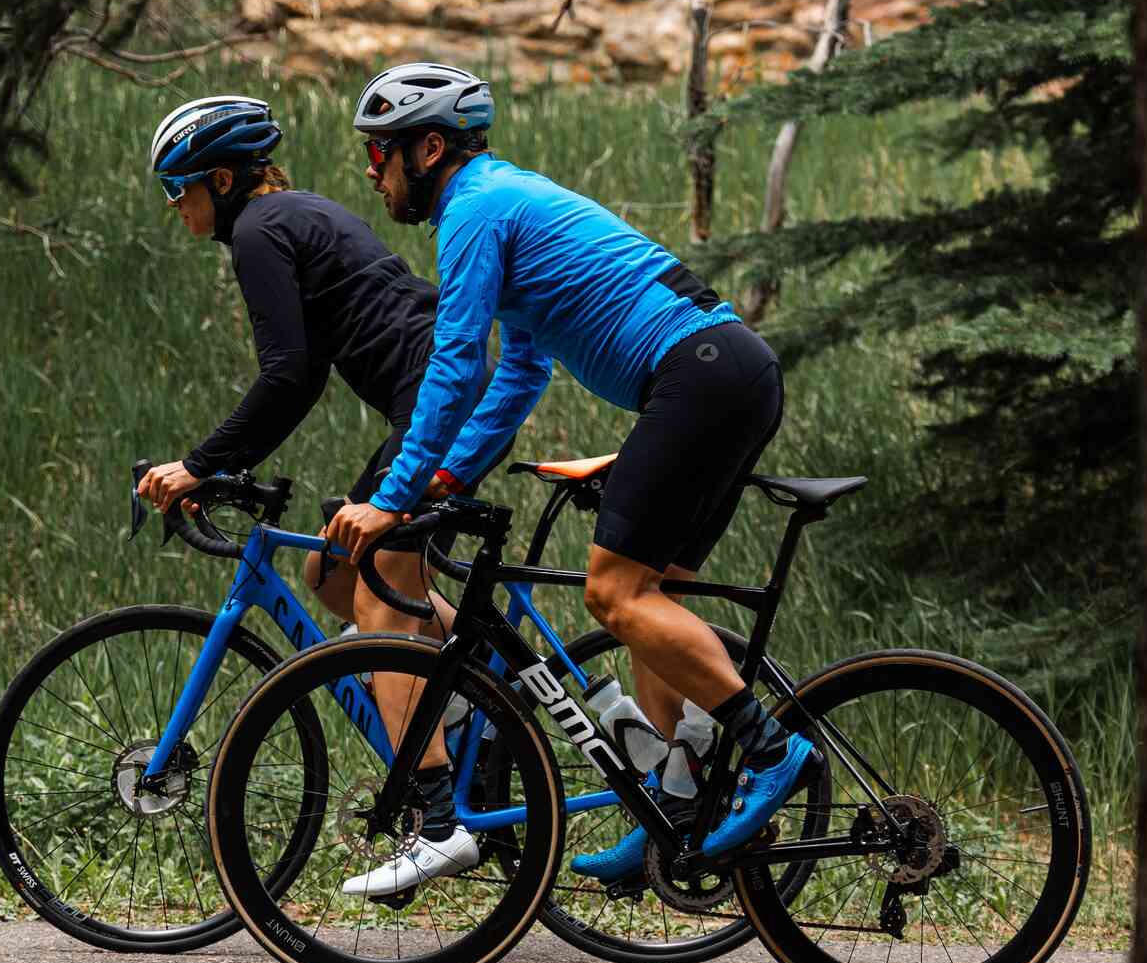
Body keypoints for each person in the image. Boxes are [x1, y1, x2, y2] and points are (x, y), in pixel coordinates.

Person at [327, 63, 816, 894]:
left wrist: (392, 497)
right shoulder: (500, 200)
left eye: (382, 155)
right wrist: (448, 476)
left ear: (430, 147)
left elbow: (453, 367)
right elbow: (519, 374)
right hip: (726, 372)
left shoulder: (475, 210)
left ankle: (772, 750)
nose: (373, 173)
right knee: (651, 602)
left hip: (698, 375)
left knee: (613, 595)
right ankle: (678, 804)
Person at [135, 93, 500, 871]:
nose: (176, 207)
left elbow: (289, 374)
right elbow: (298, 380)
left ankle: (438, 825)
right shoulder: (293, 213)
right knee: (331, 573)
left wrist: (200, 464)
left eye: (180, 189)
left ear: (222, 180)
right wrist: (222, 461)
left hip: (437, 393)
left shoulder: (260, 232)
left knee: (377, 602)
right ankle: (485, 711)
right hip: (436, 388)